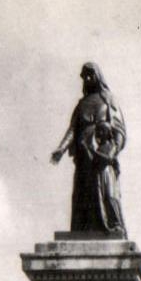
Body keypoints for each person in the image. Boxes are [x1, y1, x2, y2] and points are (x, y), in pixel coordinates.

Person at [50, 62, 126, 237]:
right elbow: (72, 129)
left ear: (98, 76)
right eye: (85, 76)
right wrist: (61, 149)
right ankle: (83, 231)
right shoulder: (82, 104)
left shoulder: (109, 99)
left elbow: (119, 129)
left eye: (91, 75)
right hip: (84, 155)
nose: (88, 79)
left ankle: (111, 227)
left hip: (102, 155)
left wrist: (112, 151)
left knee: (107, 194)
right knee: (83, 196)